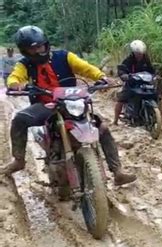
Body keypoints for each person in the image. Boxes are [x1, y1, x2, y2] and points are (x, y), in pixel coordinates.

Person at [0, 25, 137, 186]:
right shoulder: (24, 64)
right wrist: (16, 84)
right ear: (25, 51)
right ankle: (18, 160)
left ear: (46, 43)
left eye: (41, 45)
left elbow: (85, 68)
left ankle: (117, 171)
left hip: (71, 102)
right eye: (34, 49)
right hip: (46, 105)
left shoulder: (64, 56)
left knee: (102, 128)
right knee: (20, 119)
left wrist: (101, 77)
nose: (39, 50)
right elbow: (14, 77)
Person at [113, 40, 162, 125]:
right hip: (132, 83)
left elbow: (151, 69)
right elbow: (122, 69)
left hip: (145, 83)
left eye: (141, 53)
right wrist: (124, 75)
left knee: (158, 97)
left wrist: (156, 75)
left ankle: (161, 118)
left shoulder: (146, 59)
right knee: (121, 99)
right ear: (134, 52)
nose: (140, 55)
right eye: (138, 53)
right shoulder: (128, 60)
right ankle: (115, 120)